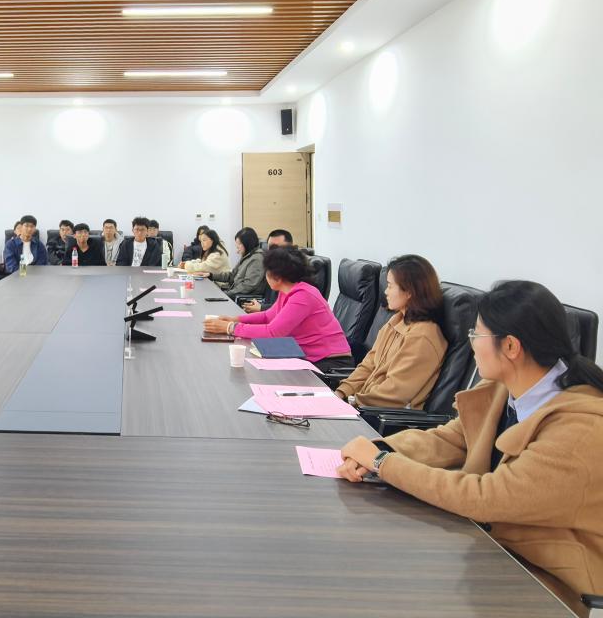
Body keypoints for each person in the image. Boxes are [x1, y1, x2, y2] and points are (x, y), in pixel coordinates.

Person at [337, 281, 603, 612]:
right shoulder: (504, 389)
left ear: (510, 346)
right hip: (484, 549)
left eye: (477, 335)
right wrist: (381, 448)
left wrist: (382, 463)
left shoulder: (582, 427)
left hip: (542, 583)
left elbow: (487, 498)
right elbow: (450, 439)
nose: (471, 344)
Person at [334, 255, 447, 408]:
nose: (386, 291)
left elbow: (396, 393)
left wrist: (353, 402)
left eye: (390, 286)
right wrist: (341, 393)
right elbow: (368, 365)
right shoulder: (396, 321)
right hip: (365, 405)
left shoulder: (423, 336)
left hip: (382, 415)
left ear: (409, 291)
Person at [203, 246, 350, 362]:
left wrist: (231, 328)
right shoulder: (287, 290)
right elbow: (268, 316)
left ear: (277, 277)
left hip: (329, 361)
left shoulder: (303, 296)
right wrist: (235, 319)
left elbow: (273, 333)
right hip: (306, 354)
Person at [210, 227, 265, 297]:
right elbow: (232, 276)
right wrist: (211, 276)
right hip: (235, 293)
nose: (237, 248)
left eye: (239, 244)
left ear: (247, 243)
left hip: (244, 298)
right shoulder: (247, 256)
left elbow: (247, 286)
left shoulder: (257, 259)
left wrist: (226, 294)